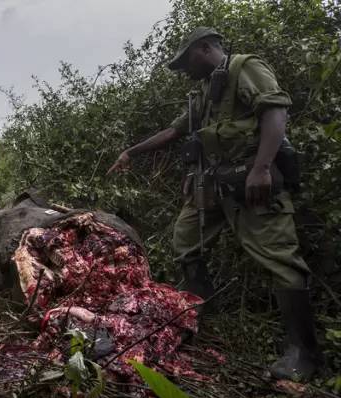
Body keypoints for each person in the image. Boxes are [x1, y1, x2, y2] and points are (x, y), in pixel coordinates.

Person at [107, 27, 319, 380]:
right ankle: (200, 300)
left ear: (204, 49)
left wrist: (263, 168)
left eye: (185, 61)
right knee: (186, 239)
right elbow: (174, 132)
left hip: (252, 182)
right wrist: (131, 151)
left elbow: (275, 112)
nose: (183, 70)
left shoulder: (244, 68)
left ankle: (304, 353)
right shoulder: (205, 91)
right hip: (216, 185)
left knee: (280, 258)